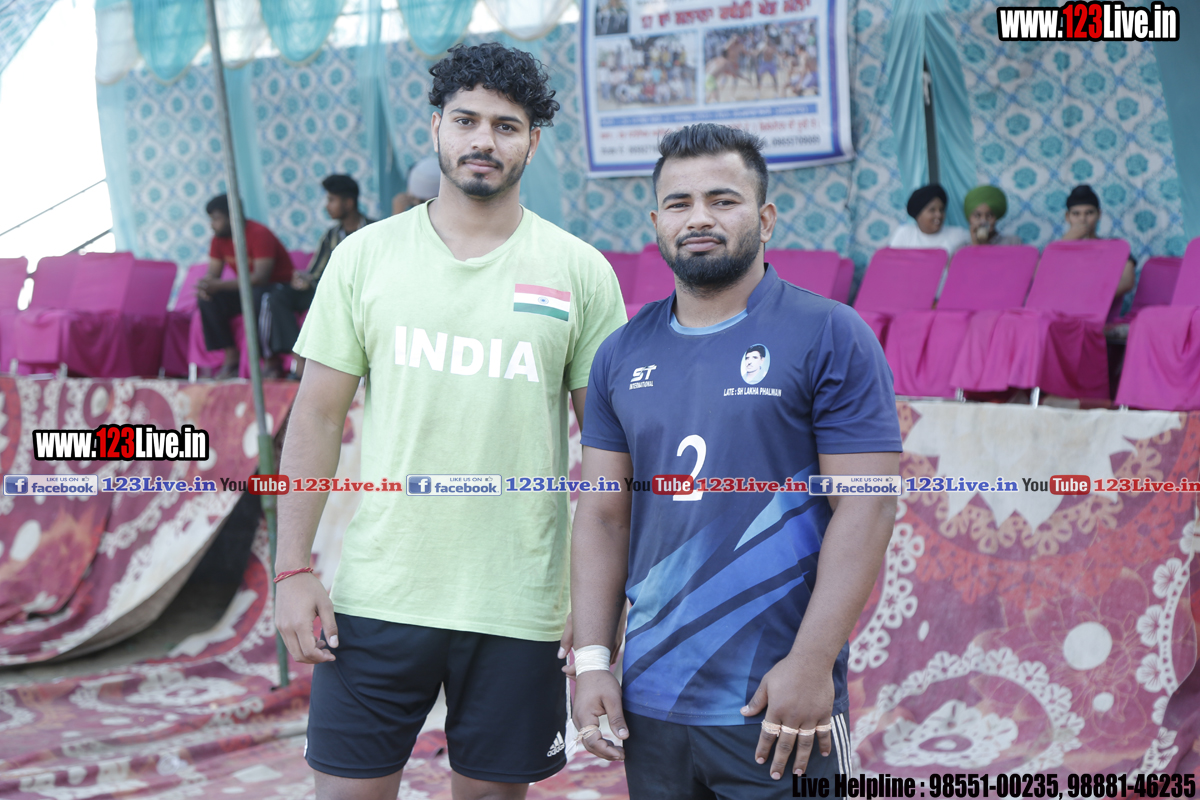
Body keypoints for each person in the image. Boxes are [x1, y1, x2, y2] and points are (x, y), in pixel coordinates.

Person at [273, 42, 626, 800]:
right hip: (380, 593)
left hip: (521, 604)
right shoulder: (364, 258)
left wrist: (598, 612)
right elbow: (316, 419)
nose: (482, 140)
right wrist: (293, 567)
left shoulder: (581, 272)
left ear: (533, 142)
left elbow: (610, 456)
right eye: (465, 120)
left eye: (506, 126)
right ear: (435, 127)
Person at [569, 123, 902, 797]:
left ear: (765, 218)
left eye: (723, 200)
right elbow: (604, 515)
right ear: (657, 224)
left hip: (780, 699)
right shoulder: (620, 353)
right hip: (652, 703)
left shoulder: (830, 333)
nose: (699, 218)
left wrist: (811, 662)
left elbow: (866, 507)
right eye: (680, 203)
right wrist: (594, 661)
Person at [262, 175, 372, 379]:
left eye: (331, 200)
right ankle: (298, 357)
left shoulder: (373, 230)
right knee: (277, 296)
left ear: (348, 203)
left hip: (359, 291)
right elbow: (316, 271)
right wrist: (304, 280)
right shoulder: (331, 235)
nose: (327, 206)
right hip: (325, 288)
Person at [197, 194, 294, 379]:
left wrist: (219, 285)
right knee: (208, 299)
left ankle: (271, 360)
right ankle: (231, 356)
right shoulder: (218, 240)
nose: (212, 225)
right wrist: (206, 285)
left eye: (216, 219)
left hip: (277, 288)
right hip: (249, 289)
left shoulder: (259, 233)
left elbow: (261, 277)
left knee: (258, 296)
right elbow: (213, 274)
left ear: (232, 216)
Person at [1060, 184, 1136, 300]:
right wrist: (1064, 243)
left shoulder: (1114, 247)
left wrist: (1090, 296)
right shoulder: (1057, 249)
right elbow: (1041, 277)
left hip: (1099, 306)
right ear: (1067, 216)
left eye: (1089, 213)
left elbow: (1127, 281)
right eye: (1076, 214)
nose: (1082, 219)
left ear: (1099, 214)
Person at [888, 183, 971, 255]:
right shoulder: (905, 234)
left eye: (941, 210)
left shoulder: (958, 235)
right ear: (918, 215)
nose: (939, 215)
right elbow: (891, 261)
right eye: (932, 210)